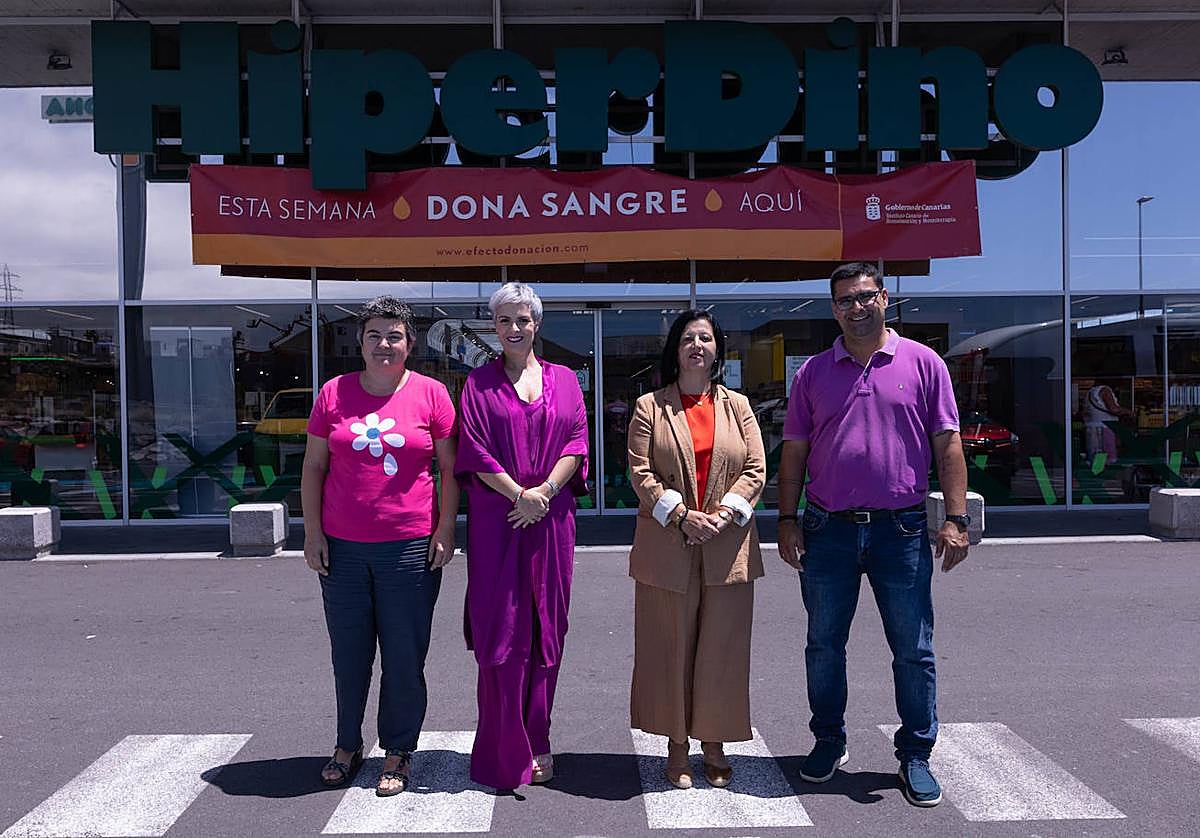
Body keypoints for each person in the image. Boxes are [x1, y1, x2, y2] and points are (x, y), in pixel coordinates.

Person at [776, 262, 970, 808]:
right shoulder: (813, 372)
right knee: (823, 646)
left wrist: (957, 520)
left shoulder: (923, 363)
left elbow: (948, 446)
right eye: (844, 300)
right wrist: (786, 519)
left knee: (913, 648)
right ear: (833, 308)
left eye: (865, 296)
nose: (855, 307)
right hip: (827, 529)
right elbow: (793, 451)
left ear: (884, 298)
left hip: (901, 530)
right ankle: (828, 741)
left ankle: (914, 754)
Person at [301, 296, 459, 797]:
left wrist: (445, 529)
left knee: (404, 656)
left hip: (410, 549)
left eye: (394, 335)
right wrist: (312, 533)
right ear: (360, 342)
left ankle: (398, 749)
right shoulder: (333, 394)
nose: (384, 344)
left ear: (409, 343)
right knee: (348, 655)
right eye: (374, 335)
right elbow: (313, 468)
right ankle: (347, 744)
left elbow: (451, 471)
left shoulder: (432, 395)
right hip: (343, 550)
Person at [455, 282, 589, 790]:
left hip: (552, 525)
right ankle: (501, 744)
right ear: (495, 327)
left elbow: (577, 439)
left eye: (523, 319)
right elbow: (475, 448)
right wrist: (521, 496)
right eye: (505, 320)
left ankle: (539, 738)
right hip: (499, 523)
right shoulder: (477, 385)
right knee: (502, 632)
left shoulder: (566, 381)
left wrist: (546, 494)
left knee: (546, 631)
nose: (515, 328)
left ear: (537, 324)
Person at [626, 309, 766, 790]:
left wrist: (722, 516)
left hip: (727, 546)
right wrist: (683, 516)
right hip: (668, 545)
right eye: (689, 338)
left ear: (717, 350)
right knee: (669, 646)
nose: (697, 345)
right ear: (676, 349)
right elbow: (640, 473)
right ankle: (677, 745)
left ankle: (715, 743)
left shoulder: (739, 406)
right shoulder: (650, 406)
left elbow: (755, 469)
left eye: (706, 338)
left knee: (721, 649)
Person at [1083, 382, 1130, 463]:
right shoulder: (1105, 390)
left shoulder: (1090, 392)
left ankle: (1097, 472)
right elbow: (1114, 409)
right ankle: (1105, 473)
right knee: (1109, 459)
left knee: (1097, 457)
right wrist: (1128, 412)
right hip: (1105, 429)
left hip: (1092, 429)